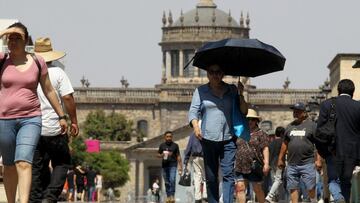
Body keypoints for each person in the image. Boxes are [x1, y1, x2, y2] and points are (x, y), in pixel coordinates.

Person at [0, 23, 67, 203]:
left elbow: (49, 90)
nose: (12, 41)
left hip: (31, 118)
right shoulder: (2, 59)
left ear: (26, 40)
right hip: (4, 119)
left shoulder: (38, 61)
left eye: (17, 38)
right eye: (10, 38)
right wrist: (2, 32)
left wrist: (62, 116)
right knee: (9, 165)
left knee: (23, 162)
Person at [29, 37, 79, 203]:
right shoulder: (58, 73)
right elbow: (68, 98)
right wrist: (73, 121)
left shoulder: (27, 72)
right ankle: (50, 197)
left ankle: (35, 198)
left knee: (37, 167)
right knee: (62, 163)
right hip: (55, 127)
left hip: (32, 127)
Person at [188, 64, 248, 203]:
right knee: (211, 176)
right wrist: (196, 126)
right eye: (212, 72)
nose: (215, 75)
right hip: (208, 139)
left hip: (228, 139)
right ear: (207, 74)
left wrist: (240, 94)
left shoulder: (232, 90)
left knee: (228, 174)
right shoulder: (200, 91)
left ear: (223, 74)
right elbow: (193, 111)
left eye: (218, 72)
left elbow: (244, 111)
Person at [317, 79, 360, 203]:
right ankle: (343, 200)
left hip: (333, 150)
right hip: (352, 152)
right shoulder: (358, 106)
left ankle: (338, 197)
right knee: (346, 181)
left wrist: (323, 152)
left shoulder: (327, 105)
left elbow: (319, 131)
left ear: (338, 90)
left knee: (333, 180)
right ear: (353, 92)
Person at [277, 102, 321, 203]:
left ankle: (313, 201)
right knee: (293, 188)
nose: (295, 113)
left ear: (304, 113)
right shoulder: (289, 126)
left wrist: (318, 160)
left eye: (297, 111)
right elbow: (285, 144)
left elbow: (318, 144)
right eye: (294, 111)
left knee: (311, 187)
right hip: (292, 163)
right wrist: (280, 159)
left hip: (308, 163)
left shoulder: (312, 126)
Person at [235, 109, 270, 203]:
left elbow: (265, 148)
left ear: (256, 121)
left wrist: (266, 163)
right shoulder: (239, 133)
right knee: (240, 188)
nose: (250, 121)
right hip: (240, 165)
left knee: (257, 189)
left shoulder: (261, 134)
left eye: (252, 119)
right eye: (248, 119)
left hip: (254, 166)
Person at [157, 131, 182, 203]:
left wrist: (180, 166)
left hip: (173, 165)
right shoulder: (162, 145)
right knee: (167, 182)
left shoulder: (175, 145)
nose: (169, 138)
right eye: (167, 136)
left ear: (172, 137)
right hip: (164, 166)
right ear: (165, 137)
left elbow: (178, 156)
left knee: (172, 179)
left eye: (170, 136)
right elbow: (158, 154)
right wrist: (162, 155)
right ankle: (168, 196)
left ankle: (172, 196)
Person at [183, 132, 207, 203]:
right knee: (205, 175)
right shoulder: (206, 132)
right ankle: (205, 194)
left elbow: (189, 147)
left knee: (197, 176)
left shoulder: (193, 134)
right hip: (205, 156)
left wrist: (186, 159)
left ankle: (197, 196)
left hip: (195, 157)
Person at [265, 126, 286, 202]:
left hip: (272, 164)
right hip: (279, 164)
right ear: (281, 134)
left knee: (277, 181)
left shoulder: (271, 143)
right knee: (278, 180)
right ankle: (270, 196)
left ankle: (281, 199)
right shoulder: (283, 142)